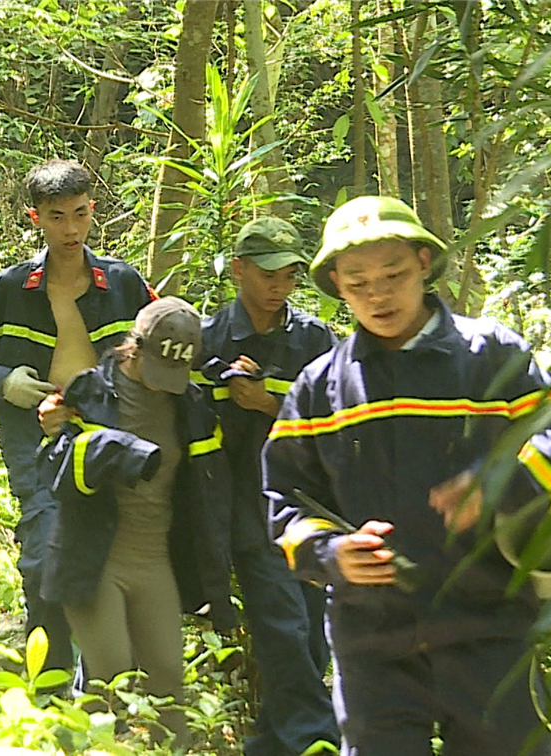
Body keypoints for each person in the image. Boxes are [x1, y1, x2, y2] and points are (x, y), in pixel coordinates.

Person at [262, 196, 551, 756]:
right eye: (359, 282)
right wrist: (330, 553)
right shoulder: (320, 387)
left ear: (423, 263)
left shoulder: (491, 355)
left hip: (488, 629)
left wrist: (498, 484)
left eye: (392, 275)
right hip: (373, 643)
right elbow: (282, 499)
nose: (378, 295)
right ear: (337, 286)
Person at [0, 158, 156, 673]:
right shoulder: (10, 289)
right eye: (57, 217)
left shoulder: (123, 283)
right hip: (36, 445)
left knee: (115, 560)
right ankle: (50, 688)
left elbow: (169, 347)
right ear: (36, 219)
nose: (71, 229)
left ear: (93, 211)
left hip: (113, 442)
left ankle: (111, 688)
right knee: (46, 558)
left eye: (80, 214)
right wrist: (2, 382)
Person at [37, 296, 233, 744]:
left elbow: (208, 488)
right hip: (95, 558)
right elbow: (51, 472)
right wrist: (57, 435)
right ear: (135, 347)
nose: (166, 383)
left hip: (155, 559)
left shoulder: (191, 402)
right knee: (110, 679)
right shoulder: (90, 390)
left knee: (168, 683)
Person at [194, 217, 340, 755]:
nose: (280, 286)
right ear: (239, 270)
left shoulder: (314, 338)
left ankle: (272, 742)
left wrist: (266, 402)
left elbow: (342, 416)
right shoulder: (208, 338)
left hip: (309, 499)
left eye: (291, 275)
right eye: (269, 273)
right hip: (244, 502)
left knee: (308, 628)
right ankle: (316, 738)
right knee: (279, 620)